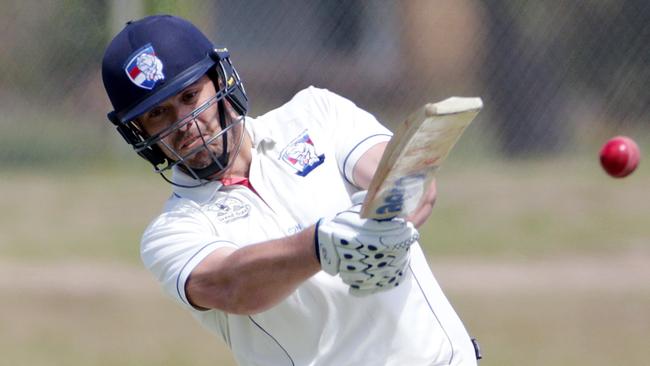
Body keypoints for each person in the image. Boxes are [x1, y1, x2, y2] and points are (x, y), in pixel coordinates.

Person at [101, 14, 480, 366]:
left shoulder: (316, 113)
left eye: (189, 96)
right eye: (157, 114)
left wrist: (385, 222)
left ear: (220, 80)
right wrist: (320, 245)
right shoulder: (171, 232)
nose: (183, 123)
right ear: (141, 133)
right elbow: (232, 285)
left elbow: (404, 178)